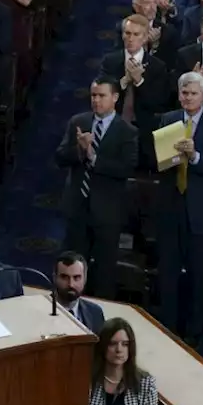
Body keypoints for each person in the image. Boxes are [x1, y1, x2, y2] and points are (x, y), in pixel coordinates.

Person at [156, 71, 203, 346]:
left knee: (198, 279)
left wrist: (195, 156)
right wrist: (171, 155)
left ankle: (194, 335)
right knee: (168, 277)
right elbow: (160, 165)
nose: (188, 97)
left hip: (202, 214)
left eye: (193, 93)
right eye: (184, 93)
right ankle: (166, 330)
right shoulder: (168, 120)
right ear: (179, 95)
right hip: (171, 210)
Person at [55, 76, 138, 299]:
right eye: (93, 95)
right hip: (77, 208)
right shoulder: (78, 122)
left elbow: (126, 168)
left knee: (103, 273)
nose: (96, 100)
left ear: (115, 98)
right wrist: (80, 151)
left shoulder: (127, 131)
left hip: (107, 214)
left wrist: (93, 155)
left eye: (101, 96)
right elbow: (61, 156)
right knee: (71, 269)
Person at [88, 318, 158, 405]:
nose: (119, 350)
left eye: (125, 344)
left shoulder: (145, 383)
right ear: (103, 346)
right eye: (113, 344)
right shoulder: (89, 381)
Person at [53, 251, 105, 333]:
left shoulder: (96, 313)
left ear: (85, 279)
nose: (71, 284)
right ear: (54, 278)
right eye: (64, 277)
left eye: (76, 277)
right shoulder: (38, 311)